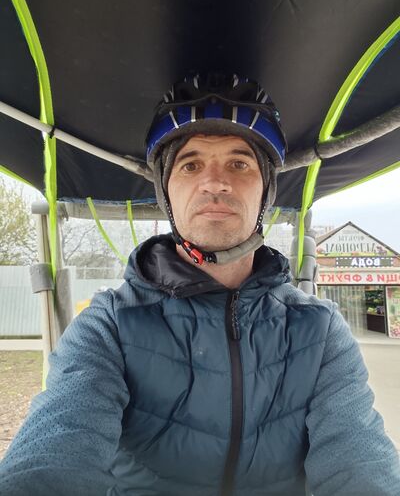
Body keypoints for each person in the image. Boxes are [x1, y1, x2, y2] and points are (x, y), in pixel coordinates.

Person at [0, 74, 399, 496]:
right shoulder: (110, 325)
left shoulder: (319, 329)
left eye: (239, 164)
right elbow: (57, 447)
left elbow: (360, 462)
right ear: (166, 191)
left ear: (266, 190)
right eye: (190, 165)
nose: (215, 182)